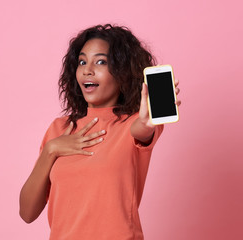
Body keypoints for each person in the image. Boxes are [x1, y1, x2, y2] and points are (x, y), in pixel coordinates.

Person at [19, 24, 181, 240]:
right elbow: (27, 213)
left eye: (101, 62)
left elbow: (141, 130)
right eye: (82, 61)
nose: (87, 70)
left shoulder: (133, 124)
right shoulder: (59, 129)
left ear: (122, 72)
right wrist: (52, 149)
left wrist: (146, 122)